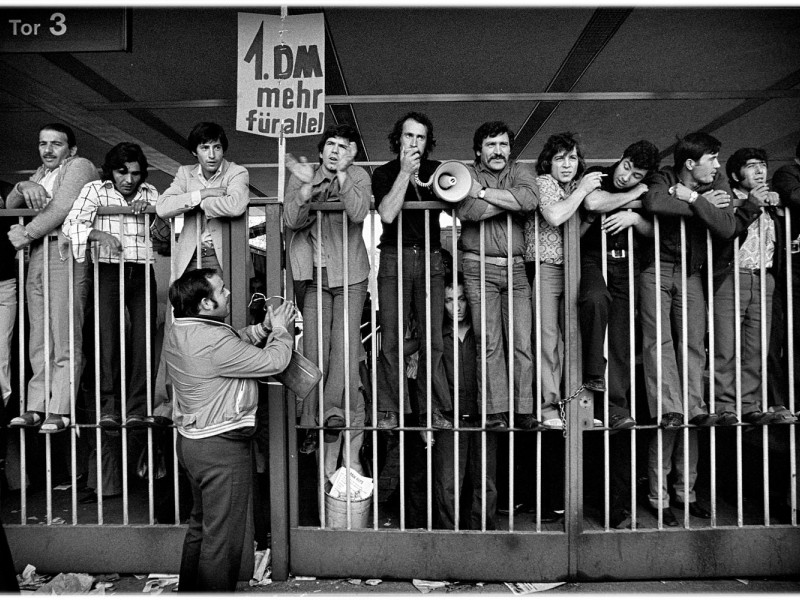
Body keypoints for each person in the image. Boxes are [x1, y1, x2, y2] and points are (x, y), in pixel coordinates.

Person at [163, 267, 294, 592]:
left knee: (201, 528)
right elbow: (274, 362)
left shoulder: (182, 329)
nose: (229, 294)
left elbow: (233, 342)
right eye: (221, 291)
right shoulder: (214, 343)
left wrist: (262, 327)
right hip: (221, 448)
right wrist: (280, 331)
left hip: (193, 443)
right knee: (222, 543)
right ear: (205, 305)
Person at [640, 132, 736, 526]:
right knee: (659, 349)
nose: (717, 166)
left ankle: (686, 491)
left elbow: (727, 226)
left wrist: (695, 199)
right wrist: (696, 206)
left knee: (693, 355)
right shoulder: (663, 177)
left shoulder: (714, 188)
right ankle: (659, 494)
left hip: (692, 275)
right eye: (712, 159)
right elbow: (654, 202)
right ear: (689, 162)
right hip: (657, 271)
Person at [284, 123, 371, 483]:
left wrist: (345, 173)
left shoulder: (359, 175)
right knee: (315, 349)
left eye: (345, 147)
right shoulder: (304, 175)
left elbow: (358, 212)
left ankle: (333, 415)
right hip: (315, 276)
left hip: (350, 274)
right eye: (332, 145)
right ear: (321, 150)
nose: (337, 151)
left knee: (346, 348)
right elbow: (291, 219)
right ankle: (311, 421)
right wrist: (305, 186)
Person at [579, 140, 659, 529]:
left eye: (637, 175)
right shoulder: (596, 172)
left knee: (624, 360)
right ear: (621, 158)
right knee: (594, 301)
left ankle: (621, 510)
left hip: (627, 270)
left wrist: (634, 217)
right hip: (595, 263)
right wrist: (634, 196)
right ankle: (595, 375)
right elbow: (593, 204)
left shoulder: (651, 186)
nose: (626, 175)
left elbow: (654, 220)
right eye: (626, 167)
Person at [63, 142, 169, 429]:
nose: (129, 180)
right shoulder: (95, 190)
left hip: (142, 269)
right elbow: (71, 224)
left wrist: (154, 212)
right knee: (106, 340)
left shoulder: (151, 192)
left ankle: (137, 408)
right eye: (122, 172)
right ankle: (108, 408)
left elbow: (164, 234)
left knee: (143, 341)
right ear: (111, 171)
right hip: (107, 270)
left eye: (135, 173)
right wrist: (99, 234)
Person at [7, 123, 96, 433]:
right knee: (39, 335)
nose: (48, 150)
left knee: (64, 333)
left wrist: (27, 232)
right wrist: (21, 187)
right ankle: (37, 405)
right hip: (39, 255)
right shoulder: (40, 174)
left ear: (70, 149)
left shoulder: (79, 166)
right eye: (43, 143)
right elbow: (10, 205)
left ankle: (60, 408)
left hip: (64, 253)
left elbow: (62, 206)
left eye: (56, 144)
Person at [456, 121, 539, 430]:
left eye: (503, 144)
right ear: (479, 150)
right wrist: (509, 201)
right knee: (489, 342)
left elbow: (530, 201)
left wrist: (484, 193)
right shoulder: (467, 172)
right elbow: (469, 211)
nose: (498, 151)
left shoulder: (522, 170)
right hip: (478, 267)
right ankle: (493, 412)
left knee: (521, 341)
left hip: (516, 267)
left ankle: (523, 410)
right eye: (491, 145)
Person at [373, 112, 453, 431]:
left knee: (433, 339)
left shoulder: (437, 171)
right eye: (409, 136)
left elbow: (454, 204)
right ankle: (392, 409)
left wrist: (427, 177)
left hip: (431, 257)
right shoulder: (383, 173)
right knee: (391, 338)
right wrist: (406, 173)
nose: (414, 143)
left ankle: (430, 410)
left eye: (420, 137)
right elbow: (389, 214)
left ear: (427, 142)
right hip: (395, 255)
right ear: (398, 139)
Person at [526, 132, 604, 428]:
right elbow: (555, 217)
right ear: (549, 162)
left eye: (572, 158)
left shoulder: (575, 186)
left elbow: (575, 230)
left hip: (573, 268)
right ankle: (548, 408)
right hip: (546, 268)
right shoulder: (543, 183)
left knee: (576, 338)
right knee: (549, 341)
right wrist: (583, 189)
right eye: (559, 158)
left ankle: (578, 409)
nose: (567, 164)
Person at [711, 148, 783, 426]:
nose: (759, 170)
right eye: (751, 166)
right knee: (726, 345)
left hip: (763, 277)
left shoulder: (773, 200)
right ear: (734, 174)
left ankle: (749, 403)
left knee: (756, 346)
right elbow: (726, 231)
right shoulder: (727, 199)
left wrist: (775, 203)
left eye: (762, 165)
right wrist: (752, 204)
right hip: (733, 276)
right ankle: (725, 404)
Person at [434, 272, 498, 530]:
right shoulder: (437, 337)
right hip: (450, 420)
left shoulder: (486, 334)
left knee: (486, 484)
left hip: (485, 417)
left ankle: (484, 537)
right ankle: (450, 540)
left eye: (461, 299)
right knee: (447, 485)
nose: (457, 306)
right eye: (449, 300)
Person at [156, 122, 250, 278]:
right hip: (190, 257)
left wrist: (202, 203)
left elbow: (235, 206)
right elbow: (163, 207)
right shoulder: (185, 173)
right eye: (205, 148)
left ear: (223, 150)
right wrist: (203, 193)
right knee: (184, 301)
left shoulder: (236, 172)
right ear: (194, 151)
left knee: (226, 302)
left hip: (224, 257)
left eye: (217, 147)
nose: (211, 155)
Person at [769, 139, 800, 422]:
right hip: (788, 275)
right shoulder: (788, 172)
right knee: (783, 337)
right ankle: (784, 402)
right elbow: (795, 196)